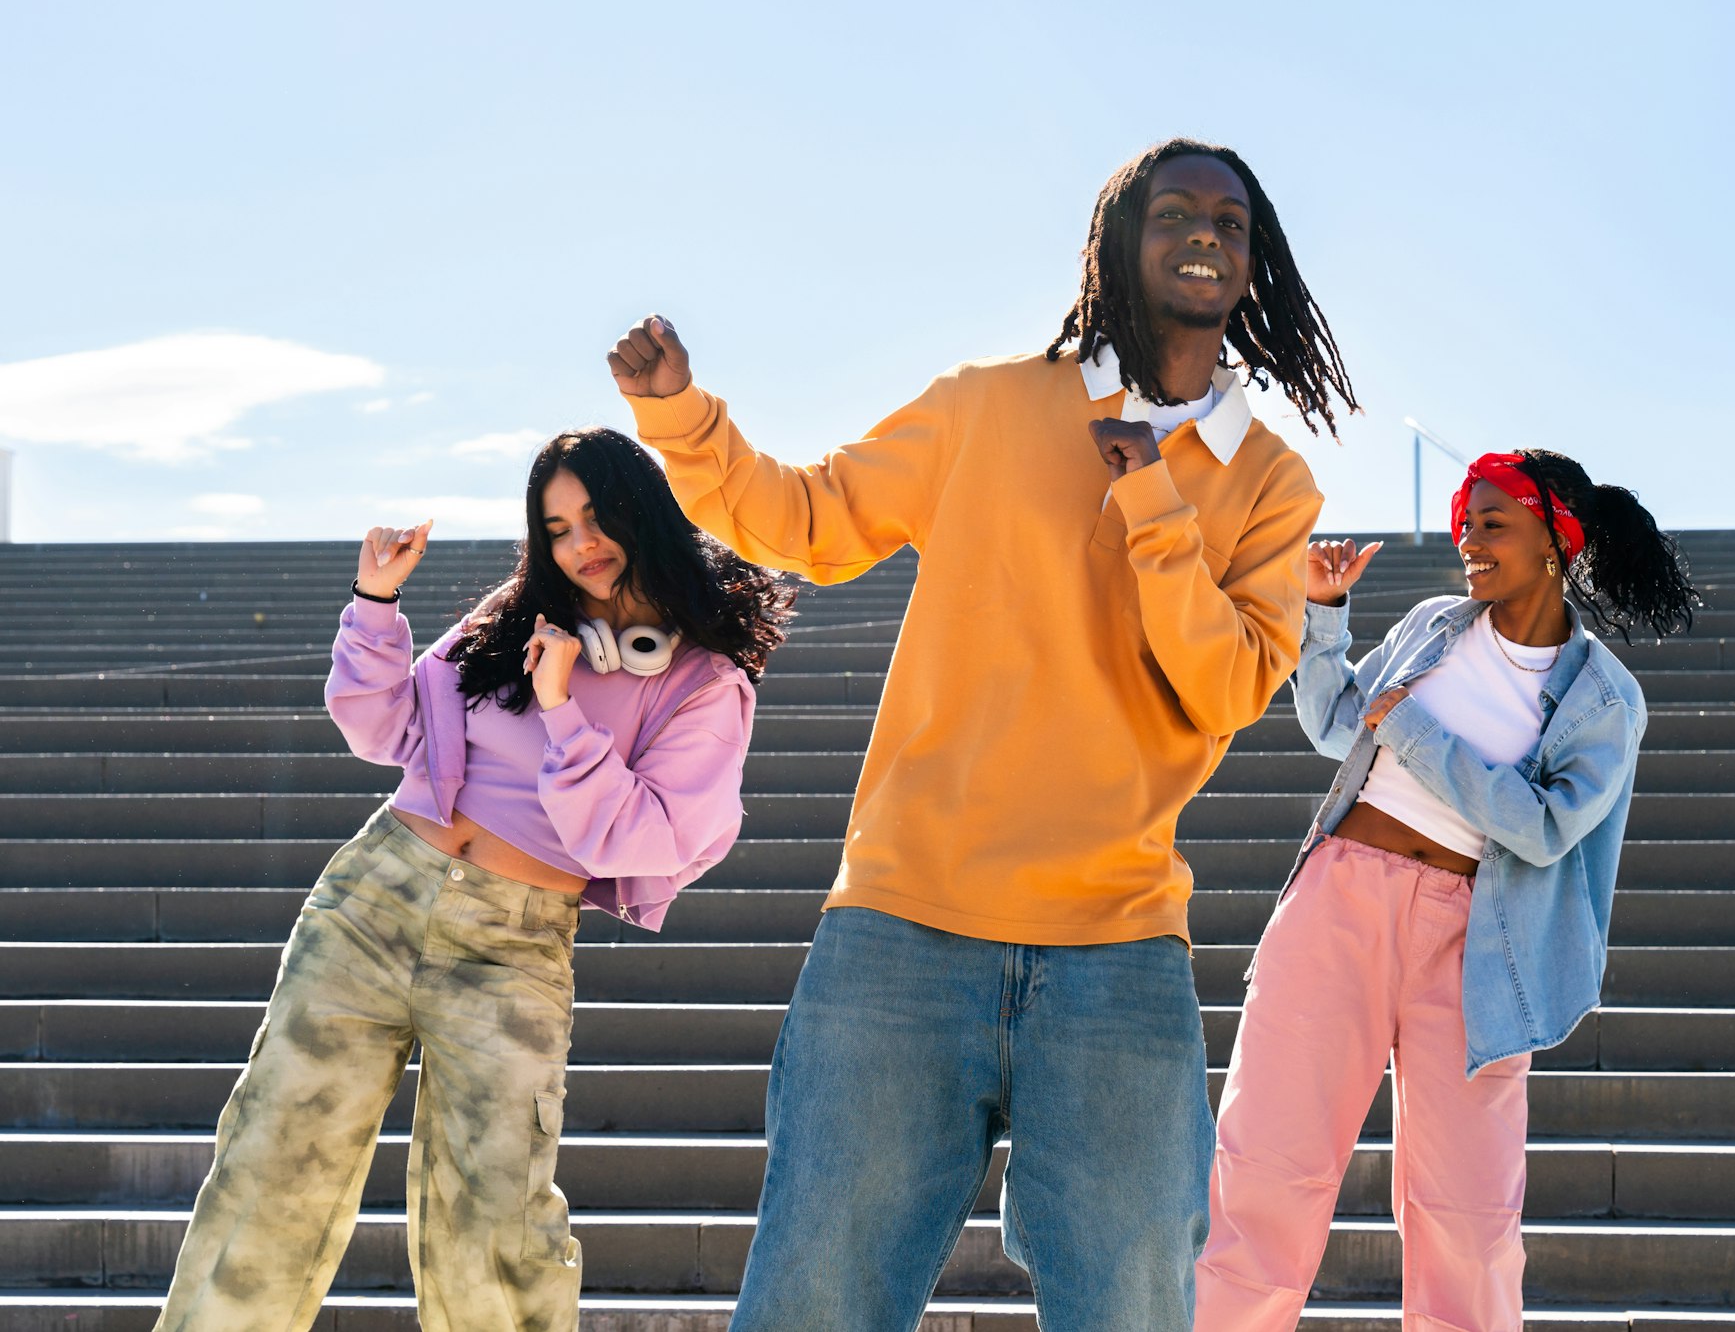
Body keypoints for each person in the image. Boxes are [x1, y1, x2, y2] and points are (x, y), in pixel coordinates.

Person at [604, 138, 1360, 1331]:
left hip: (1118, 950)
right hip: (902, 926)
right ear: (1118, 240)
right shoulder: (985, 404)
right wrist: (680, 419)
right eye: (1173, 213)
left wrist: (1151, 502)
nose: (1204, 235)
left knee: (1133, 1314)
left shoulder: (1270, 481)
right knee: (813, 1303)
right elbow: (810, 519)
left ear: (1252, 261)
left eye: (1229, 221)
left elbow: (1224, 687)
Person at [152, 428, 792, 1332]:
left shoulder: (702, 682)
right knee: (267, 1173)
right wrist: (376, 603)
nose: (581, 544)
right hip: (374, 900)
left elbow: (648, 835)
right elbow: (385, 731)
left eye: (597, 517)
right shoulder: (516, 615)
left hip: (512, 944)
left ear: (645, 511)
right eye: (557, 528)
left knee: (493, 1227)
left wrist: (563, 708)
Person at [1194, 450, 1700, 1331]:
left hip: (1482, 947)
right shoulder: (1435, 625)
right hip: (1340, 903)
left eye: (1492, 524)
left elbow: (1543, 825)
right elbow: (1340, 724)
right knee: (1266, 1175)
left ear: (1556, 540)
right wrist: (1325, 615)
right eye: (1465, 523)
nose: (1469, 540)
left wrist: (1419, 735)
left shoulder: (1604, 700)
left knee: (1469, 1218)